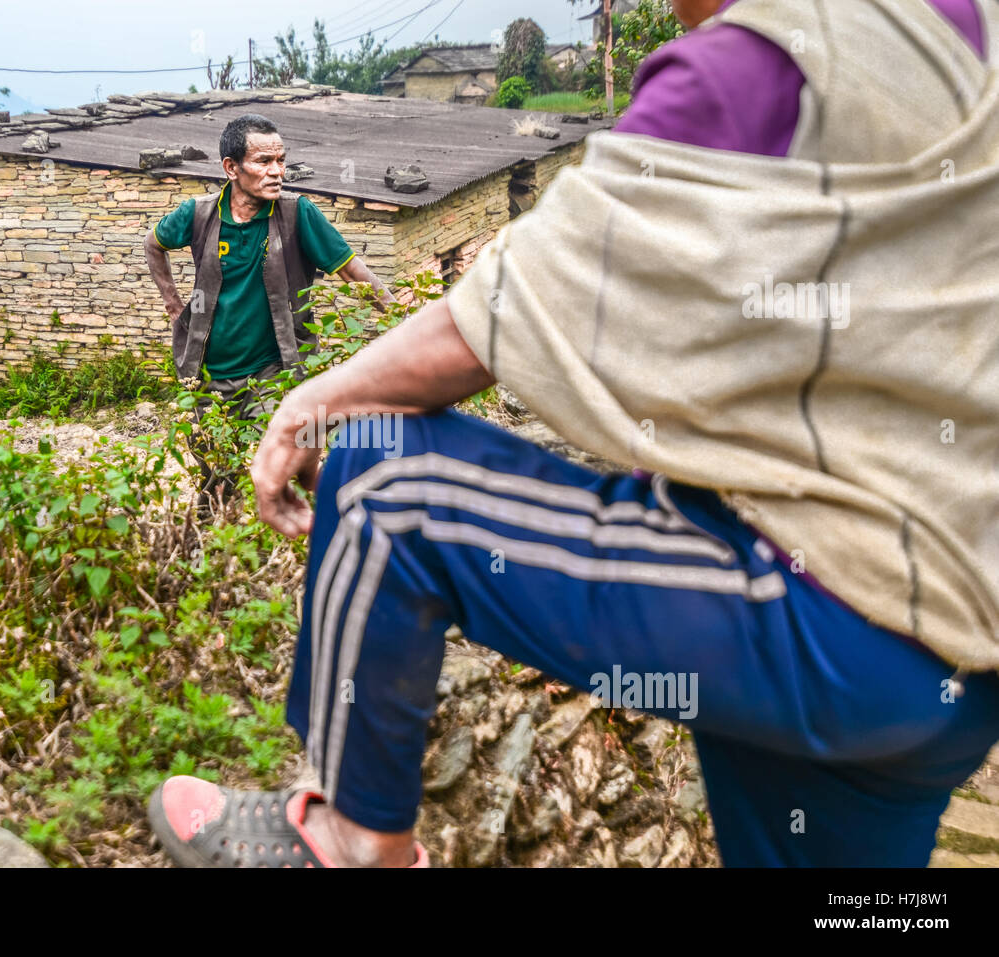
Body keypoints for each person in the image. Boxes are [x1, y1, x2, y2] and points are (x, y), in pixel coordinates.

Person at [148, 0, 999, 867]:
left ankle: (352, 838)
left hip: (826, 617)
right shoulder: (964, 31)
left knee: (378, 474)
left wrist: (311, 403)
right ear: (230, 167)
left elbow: (519, 304)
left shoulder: (751, 65)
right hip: (959, 653)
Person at [145, 114, 393, 513]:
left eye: (281, 160)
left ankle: (306, 538)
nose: (277, 171)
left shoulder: (297, 215)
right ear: (231, 167)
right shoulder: (199, 215)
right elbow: (153, 245)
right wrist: (174, 305)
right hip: (205, 375)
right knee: (215, 481)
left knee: (281, 467)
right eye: (264, 161)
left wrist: (403, 319)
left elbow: (351, 270)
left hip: (272, 372)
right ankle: (219, 557)